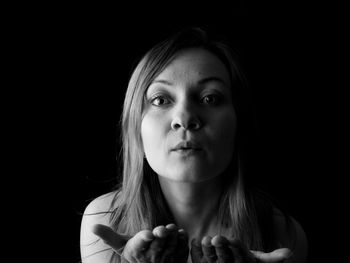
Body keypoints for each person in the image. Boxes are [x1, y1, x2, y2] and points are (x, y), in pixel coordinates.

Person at [80, 27, 308, 263]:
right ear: (135, 126)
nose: (185, 117)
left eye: (210, 98)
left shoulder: (284, 235)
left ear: (238, 121)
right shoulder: (107, 219)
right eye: (160, 100)